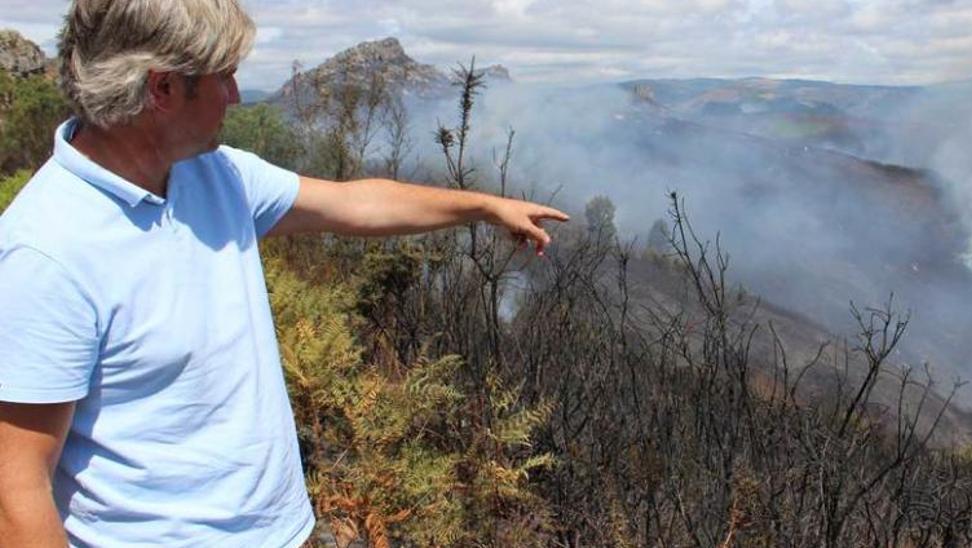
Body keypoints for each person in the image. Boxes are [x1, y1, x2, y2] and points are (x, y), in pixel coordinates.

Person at [0, 0, 570, 545]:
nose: (236, 95)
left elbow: (355, 204)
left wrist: (483, 206)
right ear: (163, 88)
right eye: (223, 77)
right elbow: (15, 486)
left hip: (278, 530)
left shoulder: (213, 175)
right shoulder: (48, 252)